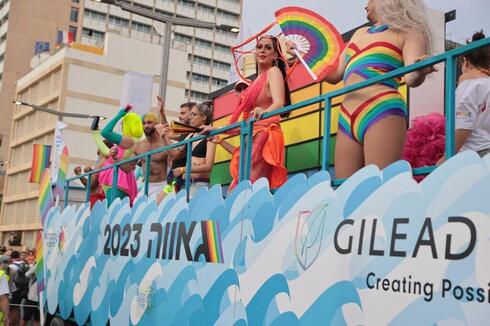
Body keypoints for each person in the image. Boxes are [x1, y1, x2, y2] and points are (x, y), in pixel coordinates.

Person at [289, 0, 435, 179]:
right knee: (345, 188)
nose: (365, 5)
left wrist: (421, 70)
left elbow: (412, 77)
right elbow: (335, 75)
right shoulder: (358, 33)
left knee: (379, 185)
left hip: (381, 109)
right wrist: (302, 54)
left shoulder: (410, 31)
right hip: (346, 116)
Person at [206, 36, 289, 191]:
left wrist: (264, 111)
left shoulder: (273, 71)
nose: (262, 50)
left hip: (265, 134)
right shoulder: (255, 81)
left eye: (268, 47)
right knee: (240, 187)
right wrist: (217, 131)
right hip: (252, 135)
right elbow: (244, 122)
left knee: (247, 188)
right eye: (259, 46)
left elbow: (279, 103)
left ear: (275, 55)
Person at [438, 31, 490, 163]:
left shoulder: (469, 85)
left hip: (477, 153)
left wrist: (445, 159)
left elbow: (463, 125)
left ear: (465, 61)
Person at [157, 102, 217, 198]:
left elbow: (208, 166)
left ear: (204, 117)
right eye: (190, 115)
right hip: (180, 182)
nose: (190, 117)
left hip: (198, 184)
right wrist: (164, 136)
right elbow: (175, 154)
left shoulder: (210, 136)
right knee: (159, 201)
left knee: (167, 204)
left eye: (193, 114)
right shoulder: (190, 135)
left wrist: (183, 169)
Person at [97, 107, 142, 206]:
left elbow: (105, 132)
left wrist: (119, 116)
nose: (121, 125)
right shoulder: (133, 141)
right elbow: (105, 149)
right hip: (119, 177)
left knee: (112, 211)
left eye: (123, 122)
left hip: (118, 178)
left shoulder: (129, 141)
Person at [133, 112, 169, 197]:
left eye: (149, 122)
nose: (146, 126)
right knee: (137, 207)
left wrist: (169, 188)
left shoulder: (164, 143)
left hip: (163, 185)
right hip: (145, 185)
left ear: (156, 125)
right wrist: (116, 159)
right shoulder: (138, 145)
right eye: (144, 123)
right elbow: (127, 167)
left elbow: (174, 164)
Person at [8, 251, 28, 326]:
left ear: (11, 256)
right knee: (17, 309)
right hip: (21, 290)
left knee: (10, 309)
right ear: (18, 255)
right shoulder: (24, 264)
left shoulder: (11, 267)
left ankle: (10, 324)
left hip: (12, 290)